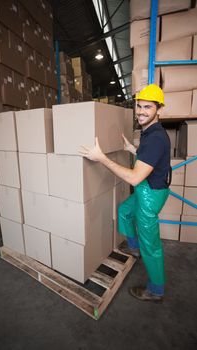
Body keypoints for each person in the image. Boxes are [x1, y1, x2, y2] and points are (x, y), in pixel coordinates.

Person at [79, 84, 171, 302]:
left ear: (159, 109)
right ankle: (134, 248)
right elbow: (149, 159)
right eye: (139, 106)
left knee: (152, 246)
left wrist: (101, 158)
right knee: (124, 211)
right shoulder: (150, 132)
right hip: (146, 189)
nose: (141, 111)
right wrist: (133, 149)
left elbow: (134, 178)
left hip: (150, 195)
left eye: (147, 107)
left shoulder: (156, 138)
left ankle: (156, 290)